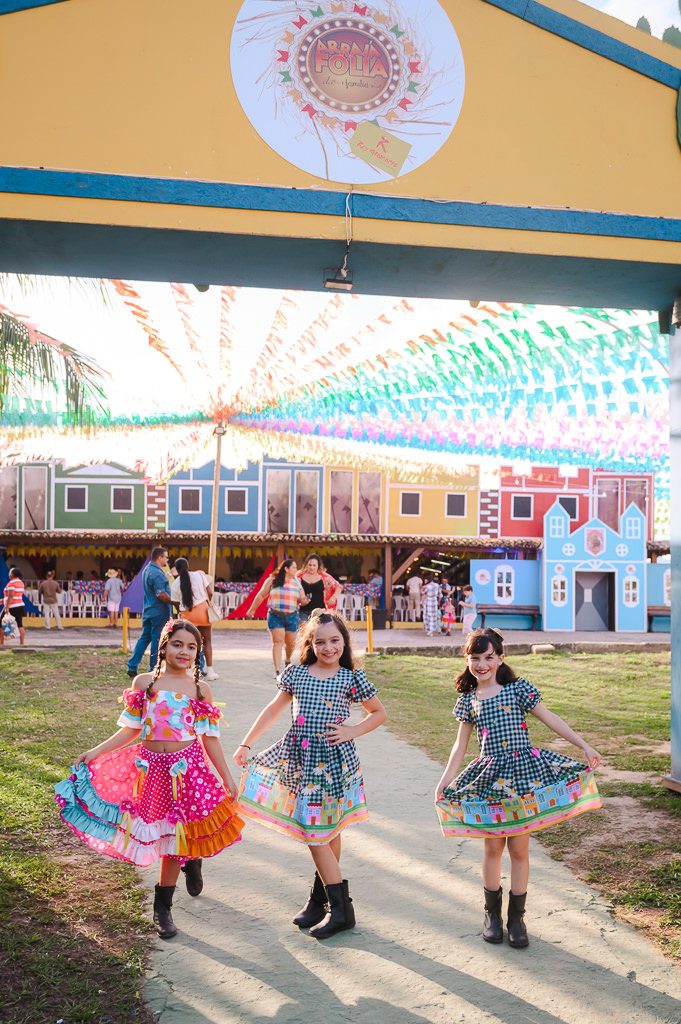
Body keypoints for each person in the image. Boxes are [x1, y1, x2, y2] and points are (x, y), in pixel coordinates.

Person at [55, 620, 244, 939]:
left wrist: (227, 777)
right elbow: (130, 729)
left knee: (175, 840)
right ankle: (182, 870)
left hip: (188, 770)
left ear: (199, 653)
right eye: (178, 644)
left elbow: (209, 738)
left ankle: (165, 905)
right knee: (166, 835)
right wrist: (95, 752)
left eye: (192, 647)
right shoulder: (145, 683)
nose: (184, 651)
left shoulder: (200, 689)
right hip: (152, 772)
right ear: (164, 646)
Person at [435, 628, 602, 948]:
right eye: (475, 658)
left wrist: (584, 746)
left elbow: (550, 718)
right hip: (491, 780)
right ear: (467, 660)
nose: (481, 664)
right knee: (493, 848)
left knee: (519, 850)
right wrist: (445, 780)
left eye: (488, 657)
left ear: (500, 658)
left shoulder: (518, 690)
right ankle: (492, 916)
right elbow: (460, 746)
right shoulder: (468, 700)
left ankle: (517, 918)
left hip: (525, 776)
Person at [234, 611, 386, 939]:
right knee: (321, 831)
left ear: (344, 643)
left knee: (319, 831)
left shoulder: (351, 678)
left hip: (335, 763)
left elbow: (379, 713)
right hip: (303, 759)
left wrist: (352, 730)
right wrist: (247, 742)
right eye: (320, 641)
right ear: (310, 643)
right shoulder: (297, 674)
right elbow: (274, 709)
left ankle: (341, 910)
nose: (328, 647)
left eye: (335, 640)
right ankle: (321, 901)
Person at [247, 558, 306, 677]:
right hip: (275, 616)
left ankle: (288, 660)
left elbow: (302, 599)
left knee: (290, 643)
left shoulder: (297, 581)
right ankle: (277, 670)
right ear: (286, 568)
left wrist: (305, 601)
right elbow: (261, 595)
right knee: (277, 642)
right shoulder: (272, 580)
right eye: (294, 567)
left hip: (292, 616)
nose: (296, 570)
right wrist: (252, 609)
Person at [126, 547, 172, 678]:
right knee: (157, 639)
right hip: (158, 610)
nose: (167, 560)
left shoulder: (147, 569)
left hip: (148, 609)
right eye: (166, 557)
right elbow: (161, 594)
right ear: (159, 557)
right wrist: (174, 603)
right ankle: (154, 668)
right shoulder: (157, 573)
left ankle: (132, 665)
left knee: (145, 637)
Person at [170, 557, 218, 681]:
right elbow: (210, 592)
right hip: (203, 611)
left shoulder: (175, 584)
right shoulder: (198, 576)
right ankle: (210, 672)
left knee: (188, 644)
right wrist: (206, 602)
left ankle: (189, 671)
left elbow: (175, 603)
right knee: (207, 641)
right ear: (188, 565)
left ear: (176, 569)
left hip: (187, 614)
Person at [296, 553, 343, 620]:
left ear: (318, 566)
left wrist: (334, 597)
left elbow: (338, 587)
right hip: (303, 611)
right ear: (306, 565)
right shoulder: (298, 576)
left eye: (314, 565)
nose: (312, 567)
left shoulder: (324, 577)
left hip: (320, 612)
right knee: (304, 629)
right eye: (310, 565)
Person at [1, 567, 26, 646]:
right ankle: (22, 643)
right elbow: (16, 595)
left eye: (10, 573)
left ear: (12, 574)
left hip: (12, 606)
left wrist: (7, 607)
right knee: (20, 625)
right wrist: (3, 601)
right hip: (20, 605)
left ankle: (1, 643)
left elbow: (11, 596)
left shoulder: (11, 583)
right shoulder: (21, 583)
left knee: (0, 622)